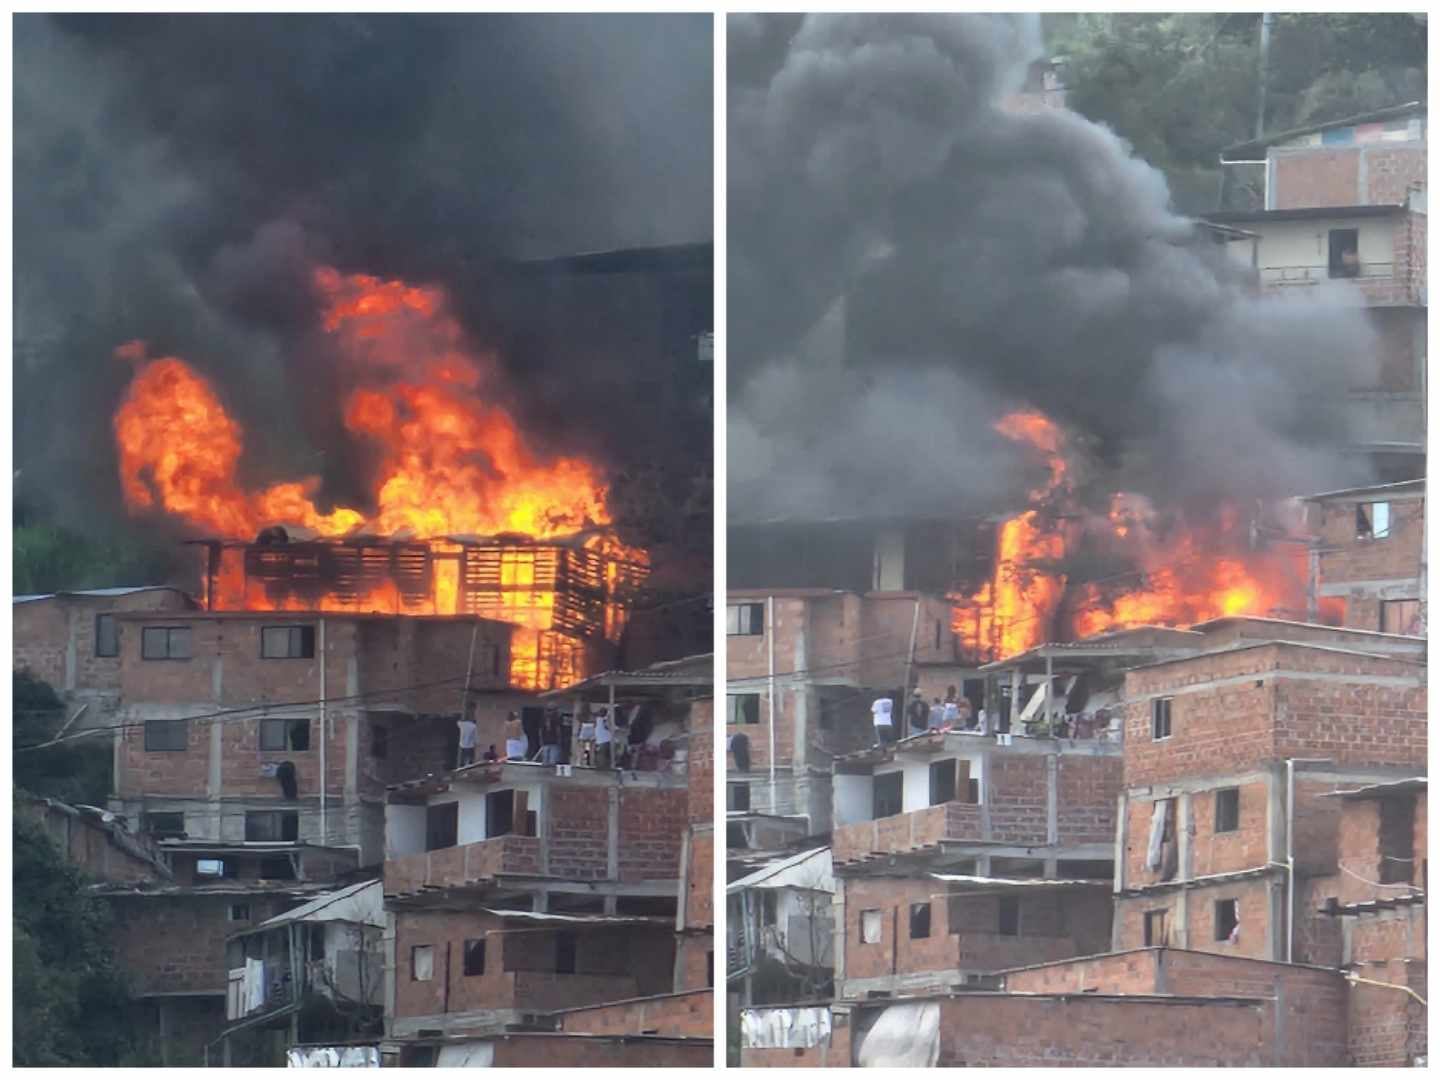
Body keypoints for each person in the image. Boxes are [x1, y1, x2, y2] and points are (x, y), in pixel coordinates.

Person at [575, 702, 596, 767]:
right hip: (591, 727)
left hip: (584, 727)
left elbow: (579, 723)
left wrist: (578, 733)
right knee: (592, 749)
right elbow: (595, 723)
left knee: (582, 748)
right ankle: (592, 763)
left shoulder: (580, 715)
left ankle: (579, 762)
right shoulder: (592, 715)